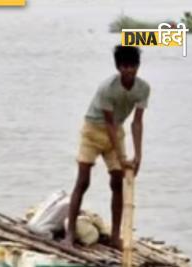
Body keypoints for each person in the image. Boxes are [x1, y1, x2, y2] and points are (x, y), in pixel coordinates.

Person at [62, 45, 150, 249]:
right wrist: (122, 156)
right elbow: (107, 123)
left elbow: (137, 122)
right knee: (83, 182)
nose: (130, 71)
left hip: (115, 131)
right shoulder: (107, 88)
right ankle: (70, 235)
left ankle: (115, 237)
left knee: (117, 182)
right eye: (125, 66)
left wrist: (138, 156)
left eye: (133, 66)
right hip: (93, 131)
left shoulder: (143, 88)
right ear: (119, 67)